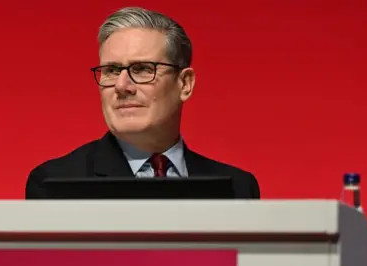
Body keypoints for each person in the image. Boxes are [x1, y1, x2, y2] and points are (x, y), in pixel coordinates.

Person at [25, 7, 260, 199]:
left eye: (142, 69)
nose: (121, 86)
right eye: (112, 70)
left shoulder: (237, 188)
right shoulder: (56, 185)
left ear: (185, 84)